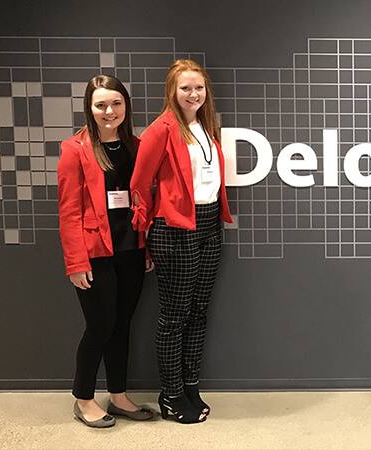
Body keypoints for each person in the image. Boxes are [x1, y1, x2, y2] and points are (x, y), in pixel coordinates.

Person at [130, 59, 233, 424]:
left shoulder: (205, 126)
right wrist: (144, 235)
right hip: (174, 229)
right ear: (172, 91)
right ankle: (170, 394)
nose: (193, 94)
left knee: (199, 312)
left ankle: (190, 386)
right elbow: (139, 185)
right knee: (174, 317)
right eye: (186, 88)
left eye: (199, 88)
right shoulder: (162, 129)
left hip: (208, 226)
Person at [57, 75, 155, 428]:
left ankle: (117, 396)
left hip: (131, 249)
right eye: (101, 105)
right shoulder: (75, 149)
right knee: (100, 326)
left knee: (122, 326)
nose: (109, 111)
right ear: (90, 108)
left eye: (116, 103)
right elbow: (68, 210)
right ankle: (83, 399)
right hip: (94, 252)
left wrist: (145, 247)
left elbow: (144, 197)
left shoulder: (138, 145)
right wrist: (75, 261)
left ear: (125, 106)